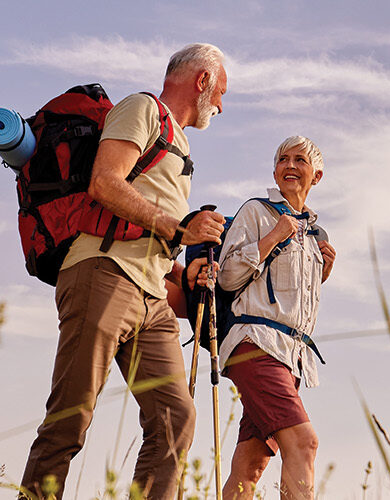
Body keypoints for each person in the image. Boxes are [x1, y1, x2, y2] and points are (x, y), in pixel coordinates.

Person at [19, 43, 230, 500]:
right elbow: (105, 183)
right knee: (71, 416)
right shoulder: (143, 109)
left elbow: (146, 228)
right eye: (221, 93)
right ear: (202, 81)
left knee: (176, 416)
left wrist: (180, 274)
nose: (220, 105)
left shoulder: (180, 142)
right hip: (103, 274)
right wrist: (181, 226)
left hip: (151, 296)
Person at [216, 136, 336, 500]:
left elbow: (292, 299)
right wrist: (272, 237)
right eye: (283, 159)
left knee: (251, 464)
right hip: (255, 344)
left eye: (300, 160)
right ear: (274, 170)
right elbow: (227, 276)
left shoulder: (316, 234)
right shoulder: (256, 212)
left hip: (291, 356)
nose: (290, 165)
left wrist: (324, 271)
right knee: (304, 442)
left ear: (316, 175)